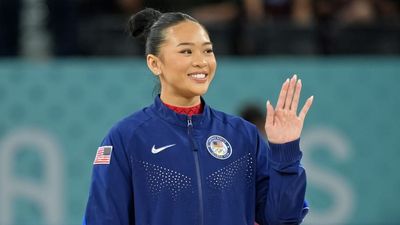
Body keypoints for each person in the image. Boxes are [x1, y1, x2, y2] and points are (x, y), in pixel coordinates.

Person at [82, 8, 313, 225]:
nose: (201, 61)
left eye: (208, 50)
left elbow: (283, 219)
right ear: (155, 64)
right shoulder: (127, 138)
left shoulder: (243, 136)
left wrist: (285, 151)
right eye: (186, 51)